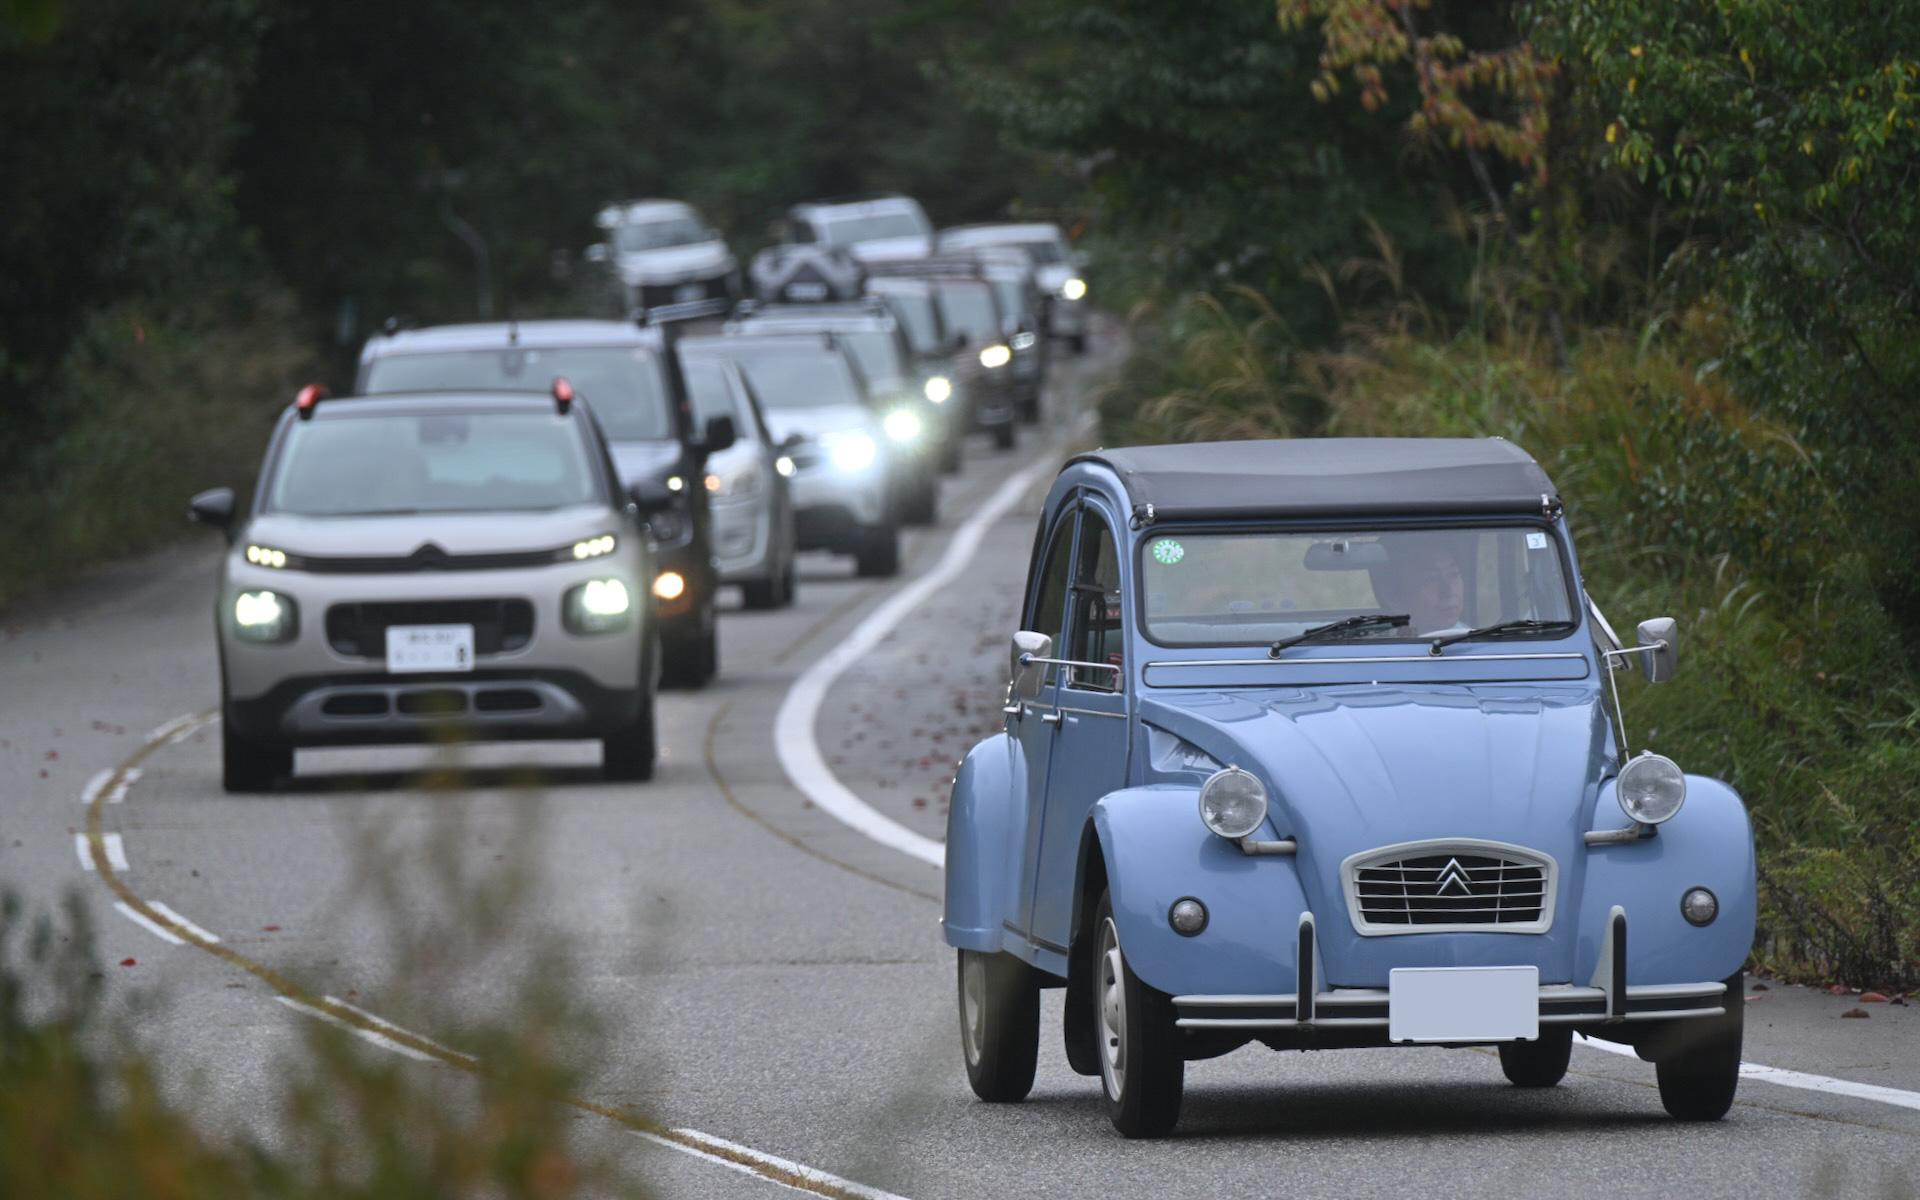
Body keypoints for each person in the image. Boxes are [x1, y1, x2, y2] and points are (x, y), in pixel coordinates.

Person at [1373, 538, 1465, 634]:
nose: (1449, 591)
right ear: (1393, 599)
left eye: (1454, 574)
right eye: (1431, 579)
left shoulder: (1474, 640)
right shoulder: (1378, 647)